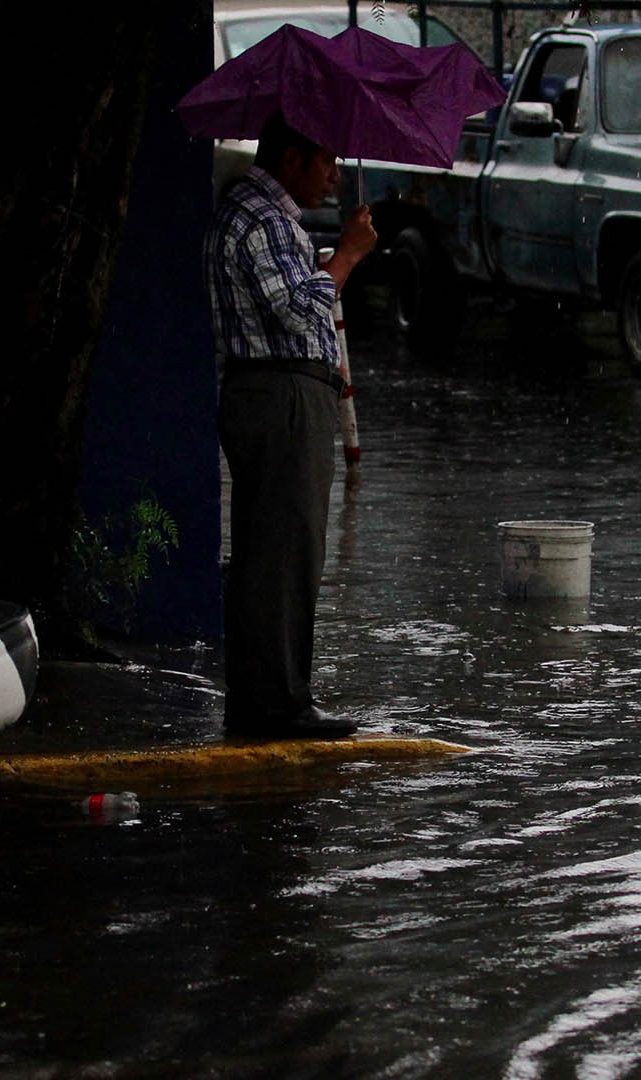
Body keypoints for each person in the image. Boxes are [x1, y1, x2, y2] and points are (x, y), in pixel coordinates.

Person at [206, 112, 376, 738]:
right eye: (325, 161)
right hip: (281, 394)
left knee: (272, 549)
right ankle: (278, 706)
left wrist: (326, 259)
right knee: (285, 551)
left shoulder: (258, 215)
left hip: (275, 392)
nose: (333, 176)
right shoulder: (263, 218)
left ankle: (266, 699)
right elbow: (298, 310)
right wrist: (349, 256)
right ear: (291, 158)